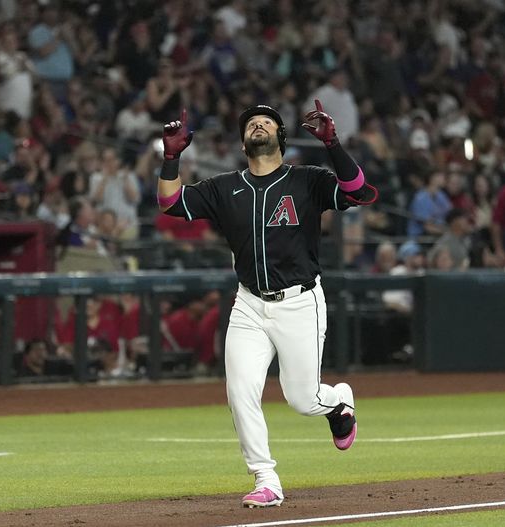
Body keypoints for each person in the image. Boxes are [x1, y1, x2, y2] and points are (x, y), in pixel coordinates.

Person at [156, 99, 376, 508]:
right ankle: (266, 478)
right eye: (251, 123)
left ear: (281, 136)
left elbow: (358, 192)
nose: (258, 125)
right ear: (243, 143)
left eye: (267, 122)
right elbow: (171, 203)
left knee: (302, 399)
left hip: (299, 302)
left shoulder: (306, 180)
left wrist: (333, 145)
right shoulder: (224, 187)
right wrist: (171, 158)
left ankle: (338, 403)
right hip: (249, 305)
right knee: (240, 391)